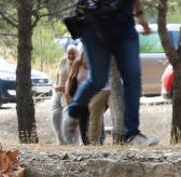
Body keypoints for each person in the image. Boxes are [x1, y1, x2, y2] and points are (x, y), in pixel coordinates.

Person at [62, 0, 157, 146]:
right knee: (98, 80)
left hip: (124, 27)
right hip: (95, 26)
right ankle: (73, 111)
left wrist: (140, 15)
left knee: (133, 77)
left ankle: (132, 134)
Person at [51, 45, 78, 144]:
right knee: (55, 116)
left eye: (73, 53)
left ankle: (72, 143)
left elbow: (75, 82)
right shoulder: (63, 61)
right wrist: (56, 85)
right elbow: (58, 75)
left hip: (70, 95)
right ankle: (60, 142)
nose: (70, 55)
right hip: (58, 93)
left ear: (77, 54)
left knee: (68, 119)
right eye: (69, 53)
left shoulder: (78, 64)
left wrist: (64, 89)